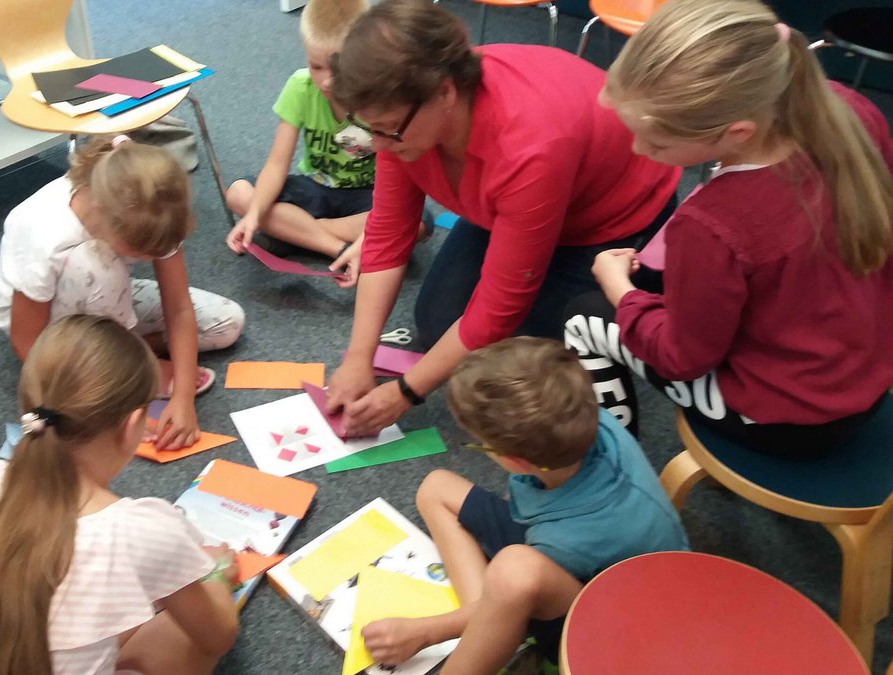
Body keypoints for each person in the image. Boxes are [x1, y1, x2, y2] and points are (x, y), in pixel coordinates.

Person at [323, 0, 681, 437]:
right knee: (440, 325)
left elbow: (499, 306)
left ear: (445, 93)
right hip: (509, 205)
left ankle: (635, 308)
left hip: (615, 222)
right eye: (369, 128)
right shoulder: (401, 125)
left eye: (387, 129)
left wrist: (404, 394)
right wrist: (358, 357)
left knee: (530, 365)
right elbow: (388, 232)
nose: (377, 144)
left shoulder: (530, 146)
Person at [563, 0, 893, 457]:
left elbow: (682, 360)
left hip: (788, 417)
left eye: (657, 141)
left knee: (583, 316)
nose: (639, 149)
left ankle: (611, 471)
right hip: (865, 376)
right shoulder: (848, 109)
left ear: (737, 132)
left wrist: (619, 287)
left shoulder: (715, 223)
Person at [0, 315, 239, 675]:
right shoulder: (140, 531)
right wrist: (212, 574)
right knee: (184, 636)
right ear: (133, 426)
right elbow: (218, 636)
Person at [358, 338, 688, 673]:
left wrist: (426, 631)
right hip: (585, 547)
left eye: (479, 445)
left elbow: (528, 579)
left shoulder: (568, 541)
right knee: (436, 487)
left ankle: (491, 629)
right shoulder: (584, 417)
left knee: (513, 573)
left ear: (514, 462)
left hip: (616, 621)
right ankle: (491, 625)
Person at [0, 135, 246, 451]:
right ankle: (123, 360)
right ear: (102, 214)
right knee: (98, 266)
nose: (151, 258)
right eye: (141, 252)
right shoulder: (44, 234)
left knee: (227, 323)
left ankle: (128, 353)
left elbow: (179, 307)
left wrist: (183, 396)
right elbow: (25, 341)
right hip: (43, 320)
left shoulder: (156, 206)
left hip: (105, 295)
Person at [225, 0, 383, 265]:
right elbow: (276, 165)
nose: (327, 81)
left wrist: (276, 221)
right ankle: (337, 248)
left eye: (338, 68)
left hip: (366, 195)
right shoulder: (300, 87)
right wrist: (253, 216)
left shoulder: (379, 94)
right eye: (316, 67)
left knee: (418, 223)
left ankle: (293, 233)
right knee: (238, 193)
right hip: (316, 187)